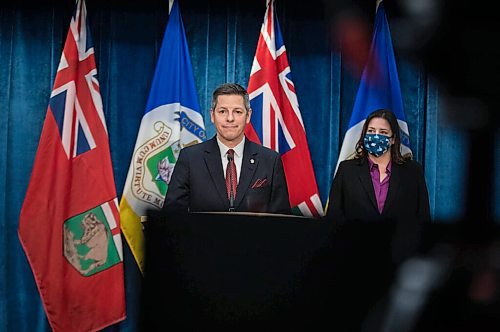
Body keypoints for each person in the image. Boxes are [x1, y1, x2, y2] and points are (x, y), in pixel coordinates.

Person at [162, 83, 291, 214]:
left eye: (238, 112)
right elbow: (172, 217)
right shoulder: (190, 158)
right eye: (222, 111)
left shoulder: (270, 160)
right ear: (212, 115)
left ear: (248, 116)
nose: (230, 118)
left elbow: (282, 221)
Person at [326, 109, 431, 226]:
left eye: (383, 132)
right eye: (371, 131)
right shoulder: (346, 170)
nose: (376, 136)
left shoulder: (413, 171)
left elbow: (423, 217)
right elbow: (333, 218)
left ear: (393, 139)